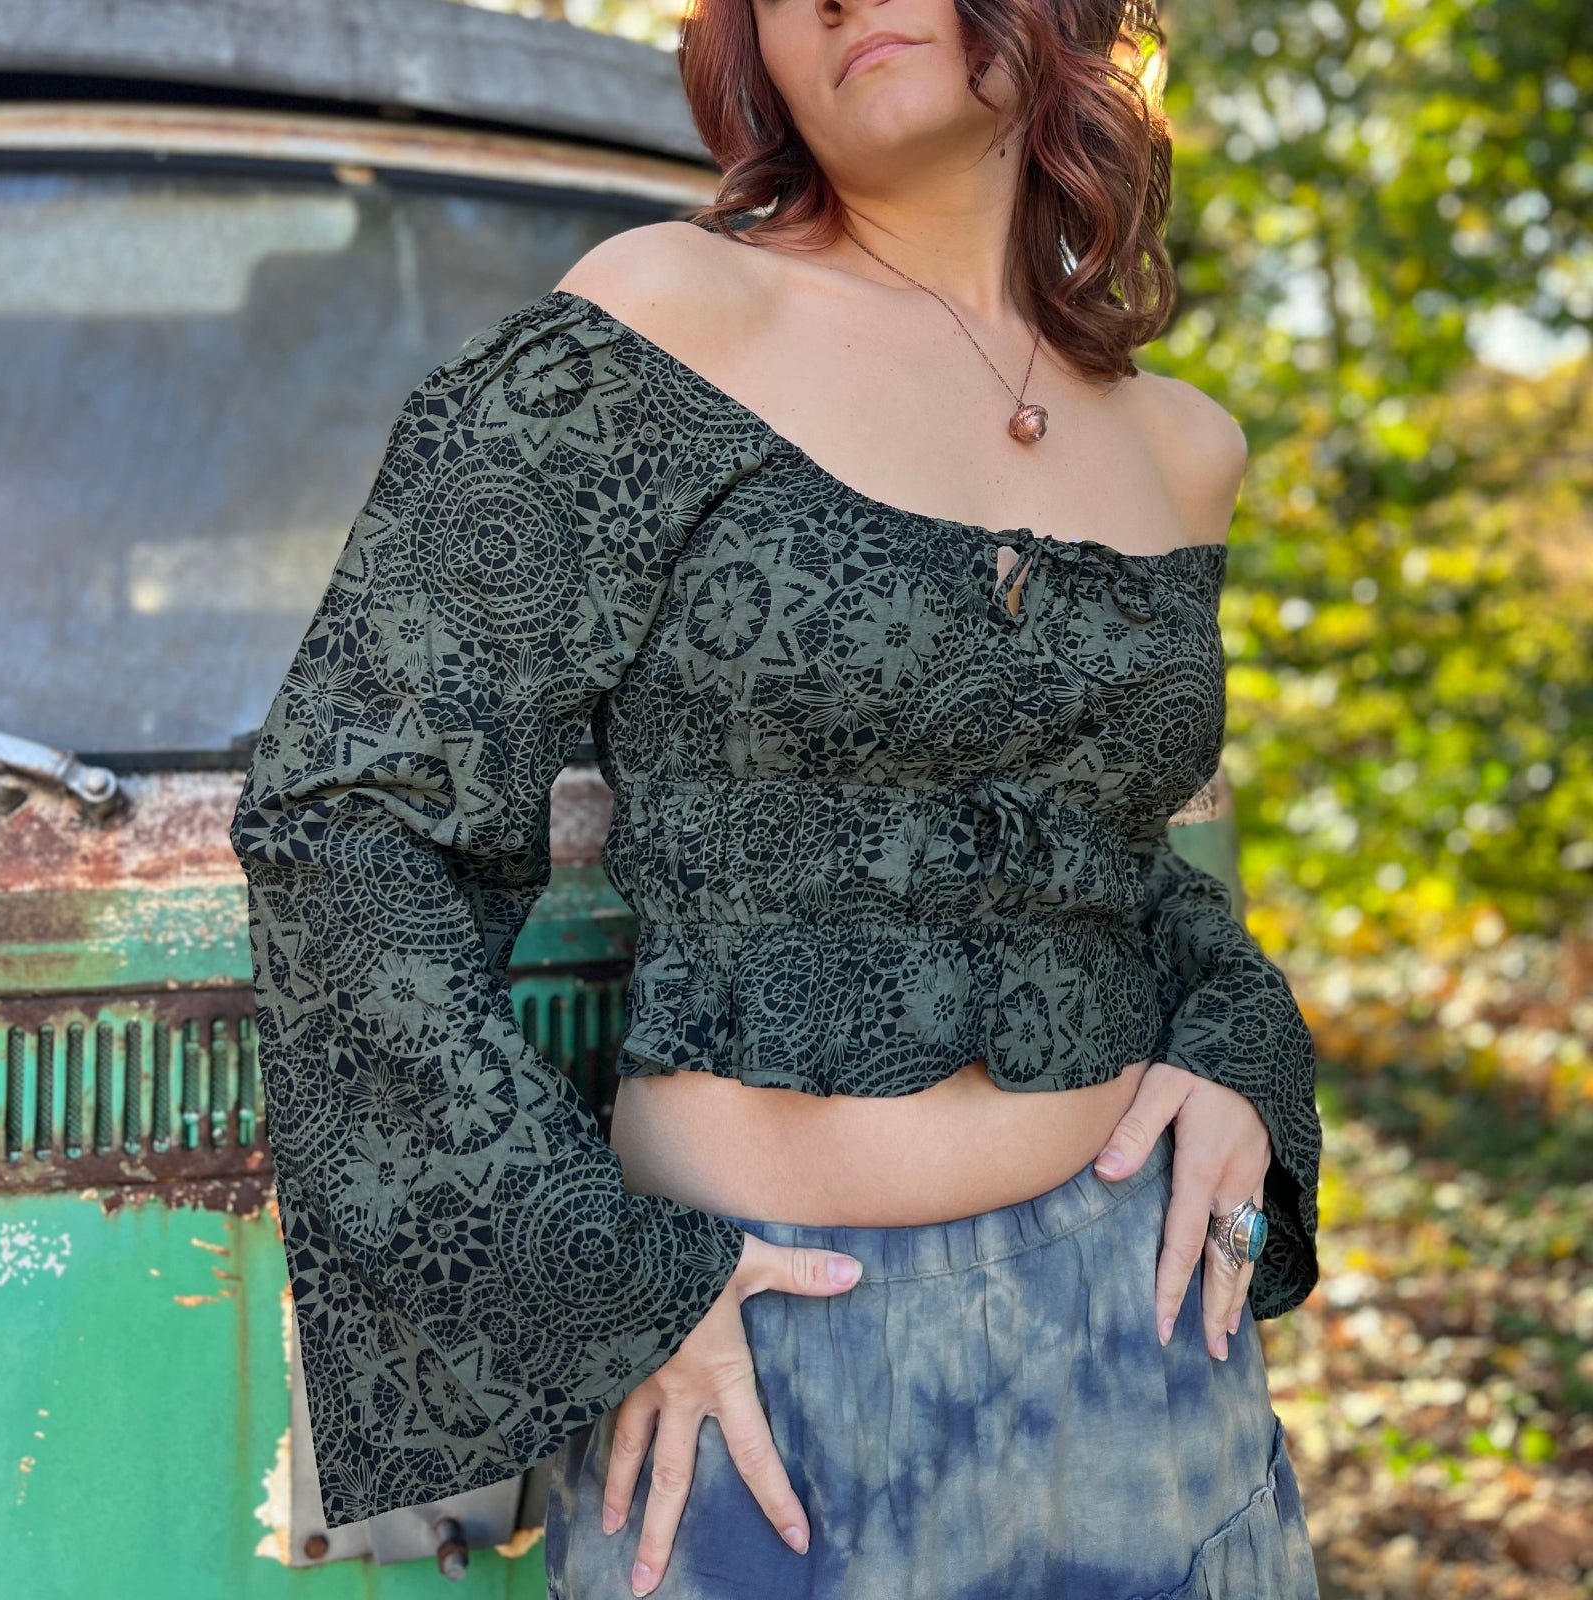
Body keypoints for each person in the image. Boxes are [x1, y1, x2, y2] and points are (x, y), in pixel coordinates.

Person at [229, 0, 1323, 1594]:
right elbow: (349, 815)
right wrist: (605, 1286)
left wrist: (1237, 1058)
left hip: (1146, 1333)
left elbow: (1116, 862)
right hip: (760, 1367)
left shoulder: (1183, 444)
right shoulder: (665, 320)